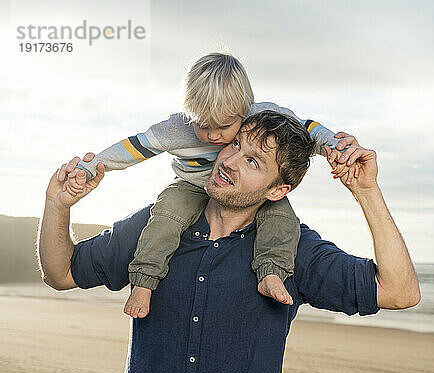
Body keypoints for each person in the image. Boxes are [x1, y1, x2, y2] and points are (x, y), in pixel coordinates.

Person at [38, 110, 421, 373]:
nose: (230, 161)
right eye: (236, 145)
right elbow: (61, 273)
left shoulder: (294, 251)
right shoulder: (156, 226)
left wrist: (366, 191)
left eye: (253, 161)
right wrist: (57, 205)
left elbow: (400, 292)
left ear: (278, 190)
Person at [66, 52, 344, 318]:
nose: (212, 135)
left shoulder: (261, 116)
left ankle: (271, 271)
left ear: (244, 110)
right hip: (190, 185)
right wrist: (91, 167)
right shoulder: (175, 129)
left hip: (241, 192)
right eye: (203, 125)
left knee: (282, 218)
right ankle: (143, 282)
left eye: (224, 127)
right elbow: (133, 148)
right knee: (165, 218)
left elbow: (305, 129)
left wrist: (333, 146)